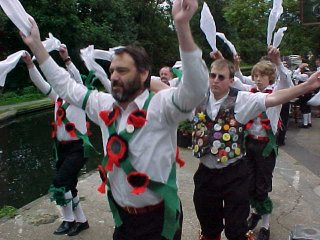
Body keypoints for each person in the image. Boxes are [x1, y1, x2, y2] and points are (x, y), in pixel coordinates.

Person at [20, 0, 209, 239]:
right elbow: (66, 87)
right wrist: (37, 45)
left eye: (122, 71)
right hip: (122, 219)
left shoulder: (162, 107)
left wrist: (182, 25)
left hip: (159, 221)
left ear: (143, 74)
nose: (114, 76)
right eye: (111, 71)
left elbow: (196, 90)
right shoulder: (104, 105)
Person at [192, 57, 320, 240]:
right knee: (209, 228)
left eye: (221, 77)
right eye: (212, 75)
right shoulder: (197, 97)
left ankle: (261, 222)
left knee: (236, 230)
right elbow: (168, 93)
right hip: (205, 174)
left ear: (231, 80)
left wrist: (307, 86)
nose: (215, 80)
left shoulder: (243, 99)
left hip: (234, 175)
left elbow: (275, 97)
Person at [21, 47, 90, 236]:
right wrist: (30, 65)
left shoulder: (80, 96)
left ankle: (68, 220)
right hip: (63, 148)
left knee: (60, 182)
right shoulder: (57, 98)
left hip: (78, 147)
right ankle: (81, 221)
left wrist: (66, 59)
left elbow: (77, 77)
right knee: (70, 185)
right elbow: (40, 83)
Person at [244, 47, 293, 240]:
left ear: (270, 77)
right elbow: (238, 79)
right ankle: (254, 213)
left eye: (262, 76)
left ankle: (265, 226)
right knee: (249, 183)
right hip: (250, 143)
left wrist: (278, 61)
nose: (257, 79)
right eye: (255, 75)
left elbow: (287, 82)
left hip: (266, 147)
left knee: (262, 186)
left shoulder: (277, 92)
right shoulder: (251, 93)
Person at [293, 63, 313, 128]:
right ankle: (309, 122)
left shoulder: (304, 75)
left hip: (304, 93)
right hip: (309, 93)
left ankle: (305, 124)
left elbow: (294, 76)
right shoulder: (309, 74)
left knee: (304, 107)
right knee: (308, 107)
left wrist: (299, 68)